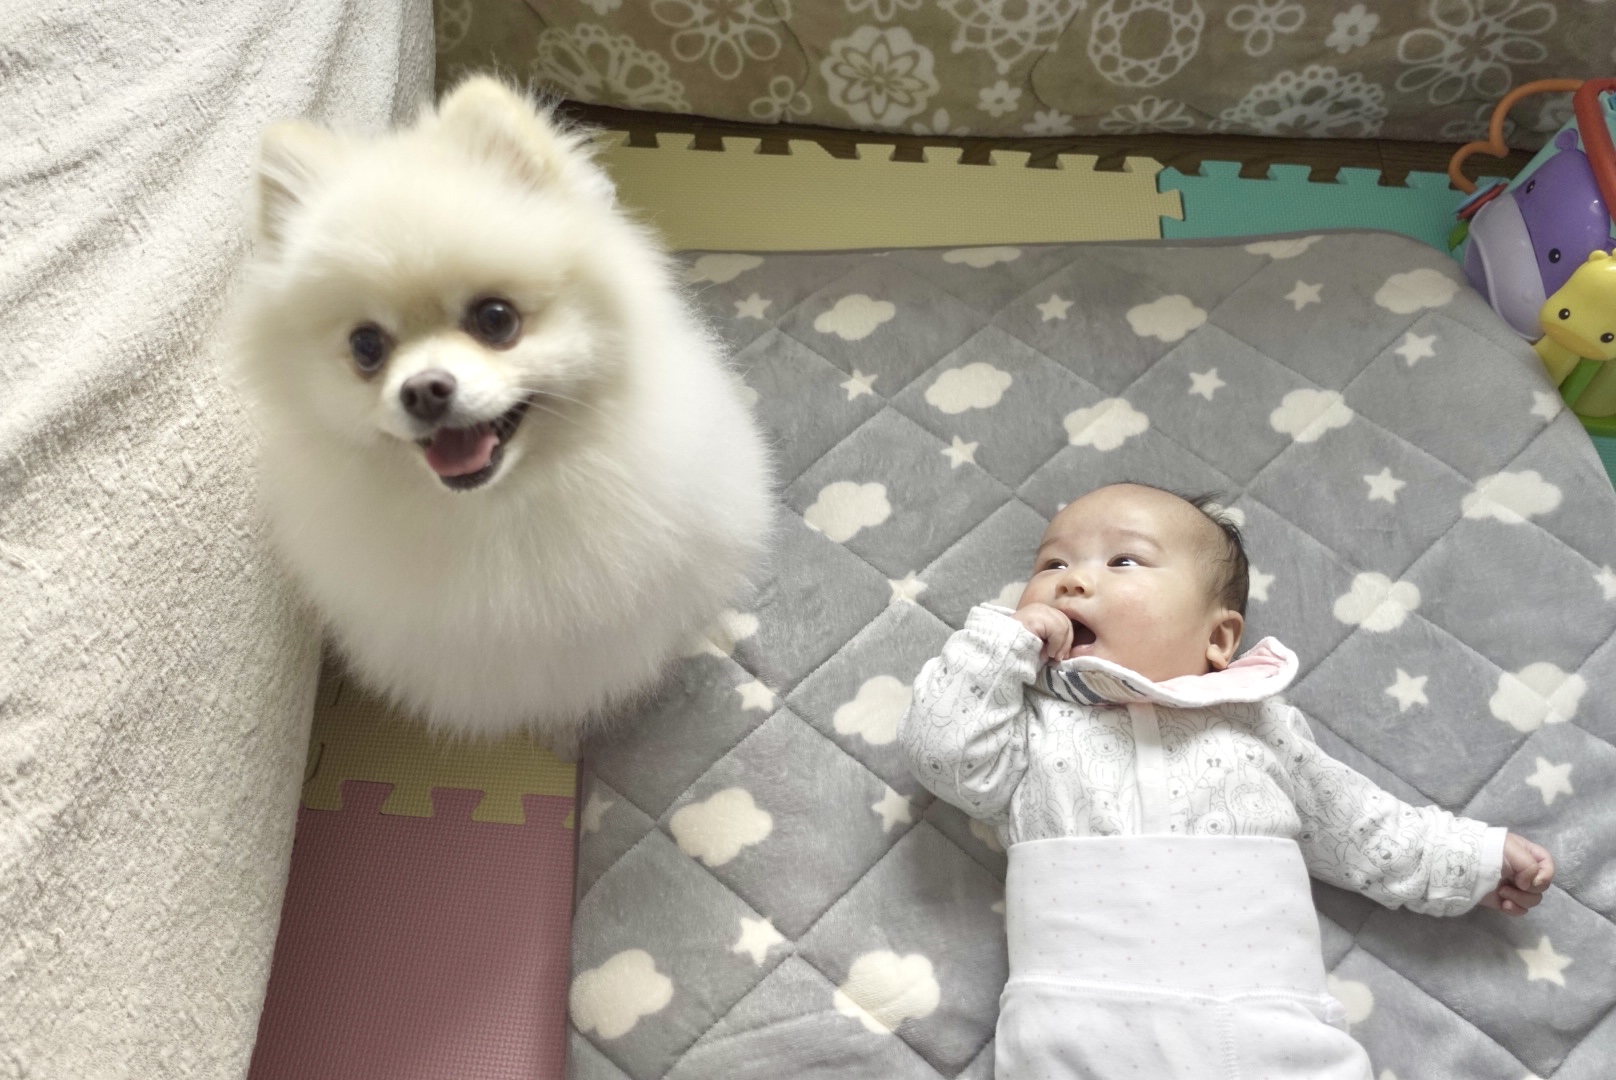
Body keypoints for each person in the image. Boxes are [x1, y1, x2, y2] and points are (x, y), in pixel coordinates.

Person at [898, 482, 1555, 1080]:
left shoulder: (1256, 723)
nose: (1071, 583)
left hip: (1268, 1027)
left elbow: (1355, 825)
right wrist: (998, 644)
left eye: (1123, 560)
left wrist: (1471, 859)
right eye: (1052, 564)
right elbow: (945, 759)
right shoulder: (1032, 722)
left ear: (1220, 638)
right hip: (1078, 1032)